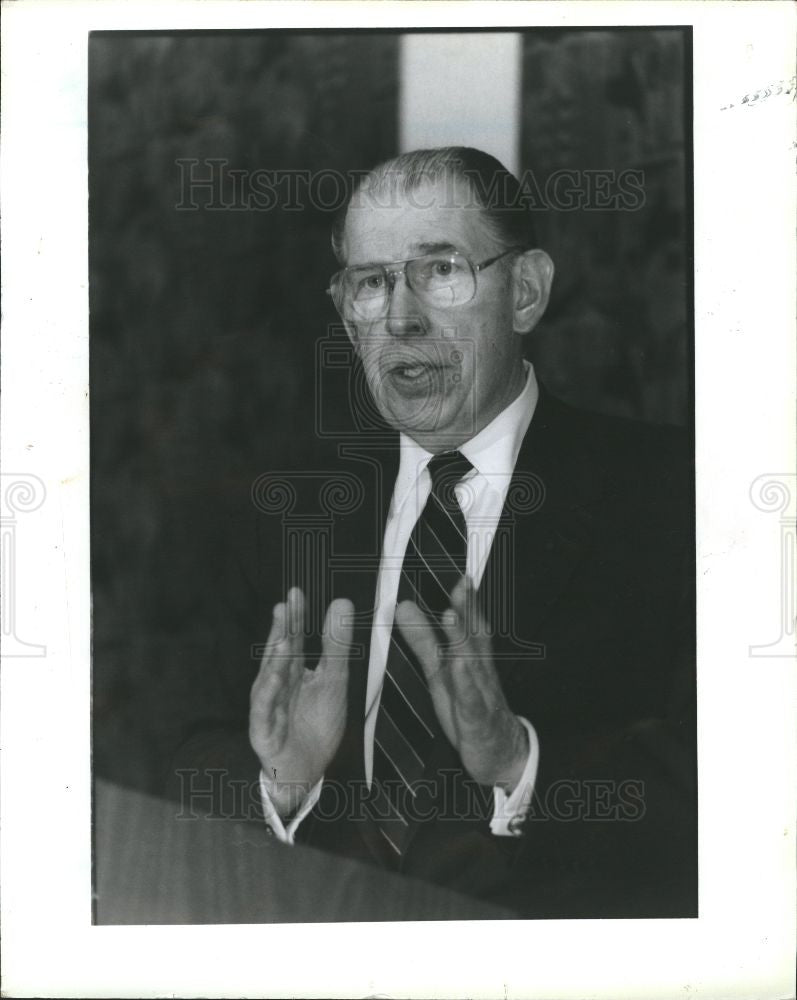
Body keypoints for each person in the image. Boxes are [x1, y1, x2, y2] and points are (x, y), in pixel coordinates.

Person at [175, 147, 696, 918]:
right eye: (371, 284)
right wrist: (281, 785)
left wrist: (518, 765)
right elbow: (186, 743)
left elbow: (742, 798)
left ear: (524, 292)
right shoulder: (280, 509)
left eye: (440, 271)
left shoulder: (672, 496)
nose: (401, 317)